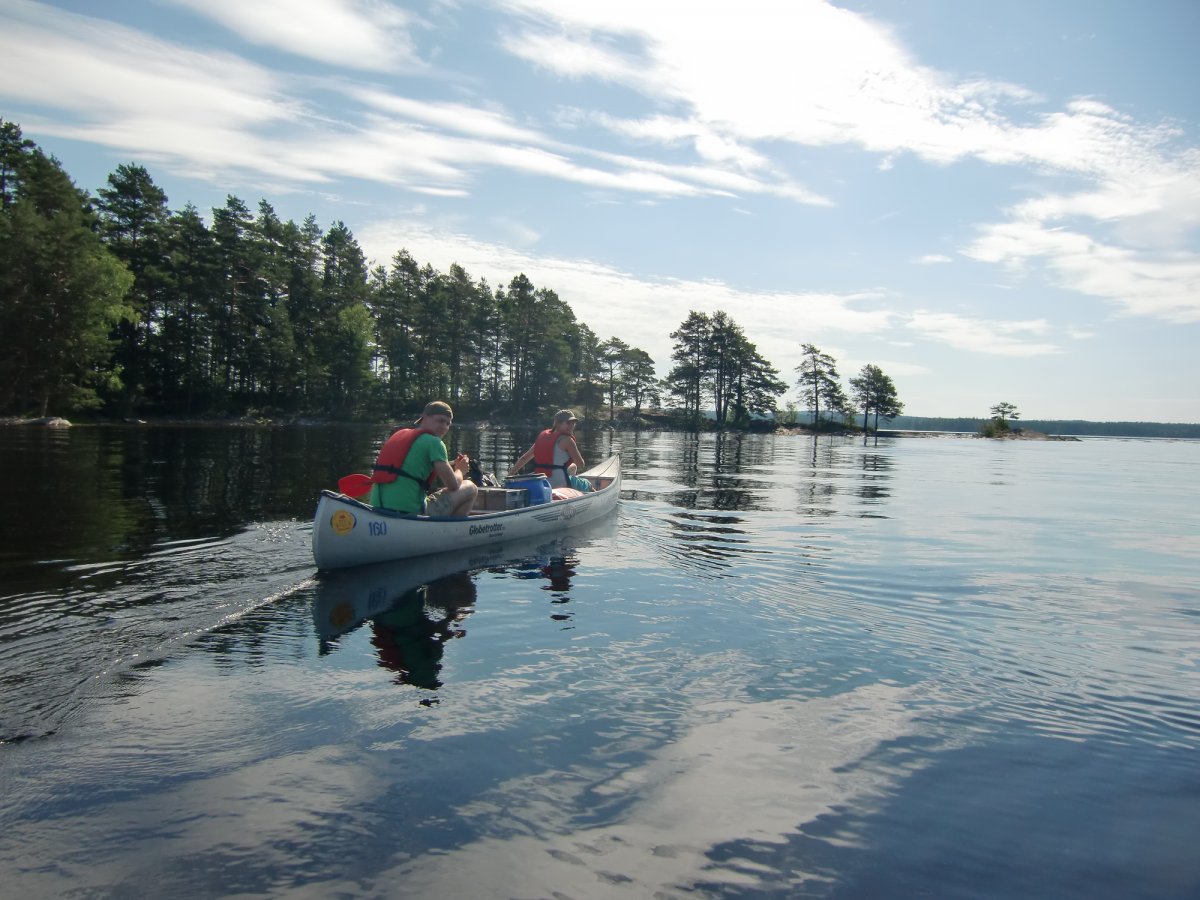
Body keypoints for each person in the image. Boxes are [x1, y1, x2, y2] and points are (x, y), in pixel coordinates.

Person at [368, 400, 478, 516]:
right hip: (410, 512)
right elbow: (453, 485)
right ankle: (453, 527)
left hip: (378, 509)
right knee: (471, 487)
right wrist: (460, 470)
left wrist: (451, 463)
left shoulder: (398, 435)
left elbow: (411, 466)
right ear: (425, 418)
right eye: (440, 421)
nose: (444, 427)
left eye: (447, 424)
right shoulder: (435, 442)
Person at [508, 409, 586, 489]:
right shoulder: (568, 440)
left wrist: (509, 476)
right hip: (560, 485)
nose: (572, 426)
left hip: (541, 484)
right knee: (586, 484)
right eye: (568, 423)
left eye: (573, 423)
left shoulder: (543, 438)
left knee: (573, 466)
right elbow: (581, 464)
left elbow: (524, 458)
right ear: (558, 424)